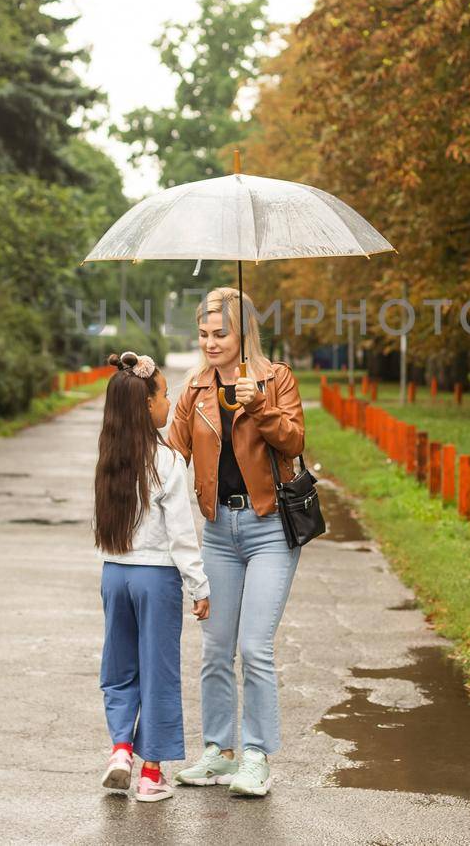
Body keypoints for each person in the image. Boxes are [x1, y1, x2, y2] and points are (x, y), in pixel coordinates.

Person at [166, 287, 307, 798]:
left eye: (220, 334)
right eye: (203, 334)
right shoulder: (196, 389)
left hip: (270, 527)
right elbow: (168, 449)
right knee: (215, 648)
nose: (209, 343)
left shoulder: (276, 378)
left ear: (243, 332)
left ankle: (255, 757)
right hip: (219, 531)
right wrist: (136, 395)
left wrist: (261, 406)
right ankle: (219, 752)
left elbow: (294, 440)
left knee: (254, 647)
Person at [93, 350, 210, 803]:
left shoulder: (109, 457)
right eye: (164, 395)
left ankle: (120, 749)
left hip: (115, 574)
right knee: (158, 671)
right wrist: (199, 586)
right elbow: (182, 535)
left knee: (119, 667)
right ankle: (151, 774)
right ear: (146, 405)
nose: (169, 403)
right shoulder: (166, 460)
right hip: (155, 579)